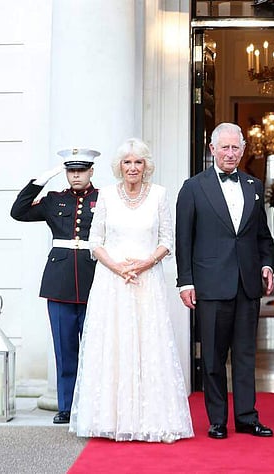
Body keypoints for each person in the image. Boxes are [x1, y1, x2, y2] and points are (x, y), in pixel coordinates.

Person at [69, 138, 193, 443]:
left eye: (138, 162)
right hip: (112, 283)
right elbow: (95, 241)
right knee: (113, 344)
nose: (133, 168)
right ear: (119, 166)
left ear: (146, 165)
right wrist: (118, 267)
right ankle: (109, 419)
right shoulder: (106, 196)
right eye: (127, 162)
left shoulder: (160, 194)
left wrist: (144, 263)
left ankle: (150, 419)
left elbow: (167, 240)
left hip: (147, 281)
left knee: (148, 346)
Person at [175, 123, 274, 440]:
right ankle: (217, 420)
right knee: (214, 358)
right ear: (212, 149)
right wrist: (185, 282)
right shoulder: (193, 188)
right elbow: (183, 240)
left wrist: (267, 264)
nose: (230, 153)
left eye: (235, 148)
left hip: (247, 283)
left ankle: (247, 417)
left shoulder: (254, 185)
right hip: (210, 284)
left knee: (245, 356)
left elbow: (262, 235)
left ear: (242, 150)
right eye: (225, 148)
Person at [10, 149, 100, 424]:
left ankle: (94, 406)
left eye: (81, 170)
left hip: (96, 280)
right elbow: (18, 212)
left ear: (91, 171)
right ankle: (67, 406)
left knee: (96, 350)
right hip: (59, 282)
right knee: (65, 348)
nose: (76, 175)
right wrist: (43, 179)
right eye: (71, 170)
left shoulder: (104, 199)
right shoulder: (53, 200)